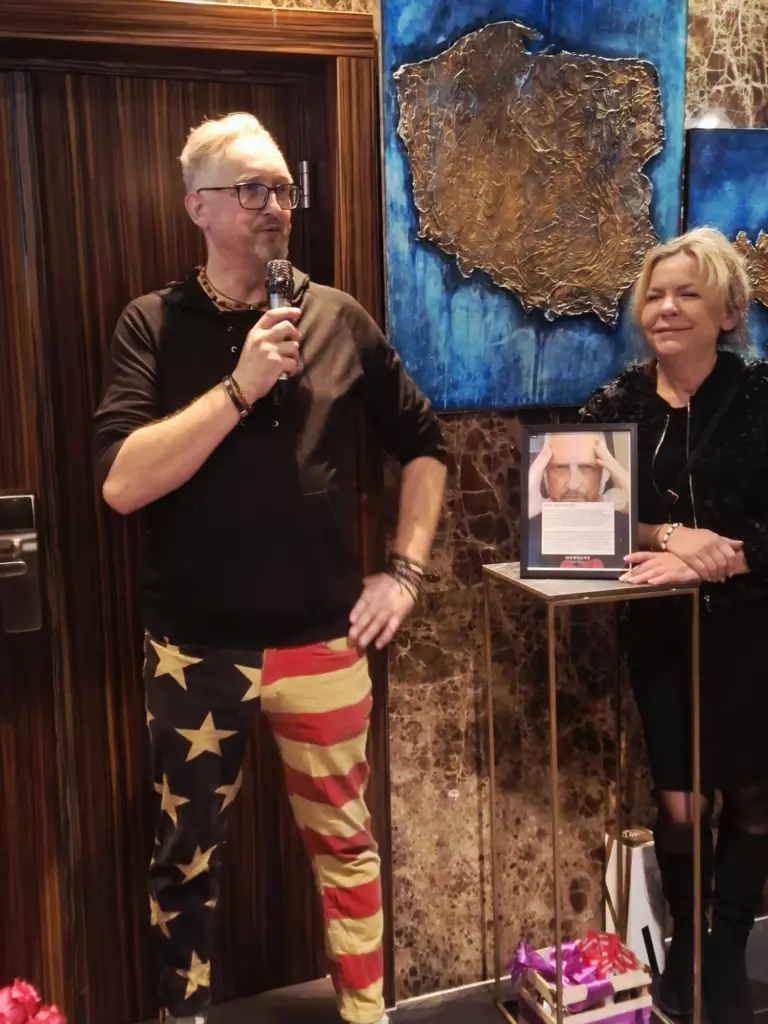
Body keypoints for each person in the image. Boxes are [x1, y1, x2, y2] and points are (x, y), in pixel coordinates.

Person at [92, 112, 448, 1024]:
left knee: (349, 850)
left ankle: (367, 1014)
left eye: (283, 188)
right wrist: (239, 386)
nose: (274, 206)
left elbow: (425, 445)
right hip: (196, 652)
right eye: (250, 189)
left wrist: (404, 572)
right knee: (184, 862)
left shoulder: (338, 318)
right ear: (198, 208)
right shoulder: (151, 324)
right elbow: (122, 485)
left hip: (323, 641)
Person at [581, 227, 768, 1024]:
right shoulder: (616, 403)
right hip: (660, 634)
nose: (665, 308)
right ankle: (688, 947)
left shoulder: (760, 395)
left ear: (729, 311)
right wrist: (671, 538)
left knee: (753, 798)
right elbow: (566, 517)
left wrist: (722, 559)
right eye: (654, 294)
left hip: (753, 629)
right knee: (682, 803)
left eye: (687, 293)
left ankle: (726, 954)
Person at [527, 431, 630, 570]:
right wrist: (527, 518)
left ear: (606, 472)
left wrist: (634, 502)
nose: (573, 485)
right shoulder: (531, 520)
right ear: (544, 472)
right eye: (560, 467)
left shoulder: (625, 520)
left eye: (587, 467)